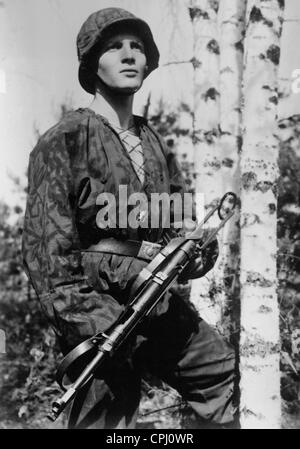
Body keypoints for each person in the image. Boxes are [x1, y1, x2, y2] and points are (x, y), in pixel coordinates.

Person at [22, 7, 237, 429]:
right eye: (114, 47)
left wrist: (196, 251)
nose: (128, 55)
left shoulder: (155, 144)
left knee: (222, 376)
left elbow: (181, 221)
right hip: (98, 308)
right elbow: (46, 252)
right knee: (105, 424)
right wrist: (93, 323)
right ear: (91, 62)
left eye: (137, 47)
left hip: (154, 296)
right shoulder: (64, 140)